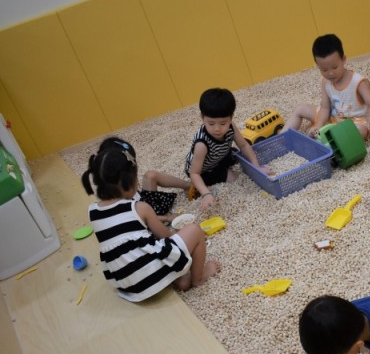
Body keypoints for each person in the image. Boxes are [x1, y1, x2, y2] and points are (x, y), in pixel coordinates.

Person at [81, 145, 220, 302]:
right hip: (148, 276)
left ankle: (180, 279)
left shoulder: (92, 211)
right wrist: (181, 233)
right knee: (194, 230)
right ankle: (198, 279)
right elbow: (166, 236)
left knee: (147, 246)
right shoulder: (139, 207)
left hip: (125, 284)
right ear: (128, 182)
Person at [184, 88, 272, 212]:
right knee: (234, 177)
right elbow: (194, 173)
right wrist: (206, 194)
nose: (217, 129)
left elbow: (244, 145)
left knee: (238, 155)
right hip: (204, 170)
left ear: (231, 118)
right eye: (211, 123)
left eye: (223, 123)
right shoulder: (201, 144)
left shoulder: (231, 126)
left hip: (220, 154)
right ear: (202, 118)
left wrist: (257, 167)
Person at [284, 34, 370, 140]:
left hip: (355, 121)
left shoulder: (357, 81)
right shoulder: (326, 81)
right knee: (300, 109)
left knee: (361, 130)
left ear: (343, 59)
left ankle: (332, 141)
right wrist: (319, 124)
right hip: (333, 117)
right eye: (324, 70)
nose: (330, 73)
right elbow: (325, 107)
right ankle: (281, 138)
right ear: (318, 66)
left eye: (334, 67)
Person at [95, 137, 193, 223]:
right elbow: (140, 217)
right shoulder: (119, 202)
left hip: (144, 201)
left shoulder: (120, 186)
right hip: (149, 217)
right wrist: (167, 218)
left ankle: (188, 186)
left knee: (150, 175)